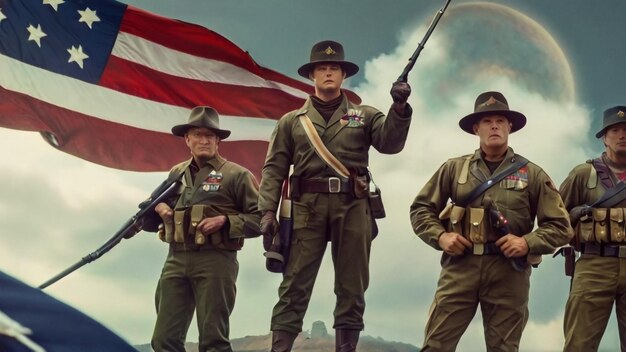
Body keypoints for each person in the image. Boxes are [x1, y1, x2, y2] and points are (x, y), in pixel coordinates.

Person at [258, 40, 412, 352]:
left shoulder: (364, 115)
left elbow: (390, 143)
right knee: (294, 286)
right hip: (305, 208)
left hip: (352, 206)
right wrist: (266, 213)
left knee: (351, 286)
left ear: (343, 76)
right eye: (322, 69)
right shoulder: (292, 121)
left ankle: (346, 349)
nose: (328, 73)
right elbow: (274, 169)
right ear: (312, 75)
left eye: (334, 68)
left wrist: (399, 108)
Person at [409, 91, 572, 351]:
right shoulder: (454, 169)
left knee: (504, 348)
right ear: (476, 128)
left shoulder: (532, 174)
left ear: (510, 127)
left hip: (508, 271)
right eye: (486, 121)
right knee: (436, 344)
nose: (494, 125)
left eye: (500, 120)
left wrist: (527, 243)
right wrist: (440, 237)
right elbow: (420, 209)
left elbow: (561, 227)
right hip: (460, 266)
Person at [144, 106, 261, 352]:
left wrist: (226, 221)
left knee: (213, 342)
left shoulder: (236, 175)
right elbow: (154, 207)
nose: (204, 140)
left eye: (210, 135)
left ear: (218, 140)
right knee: (164, 340)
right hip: (176, 258)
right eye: (197, 134)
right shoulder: (177, 173)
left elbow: (261, 219)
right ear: (187, 139)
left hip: (215, 261)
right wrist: (160, 209)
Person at [559, 105, 626, 352]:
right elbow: (554, 218)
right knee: (580, 344)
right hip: (594, 263)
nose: (622, 135)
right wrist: (577, 217)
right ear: (604, 137)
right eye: (615, 130)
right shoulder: (582, 174)